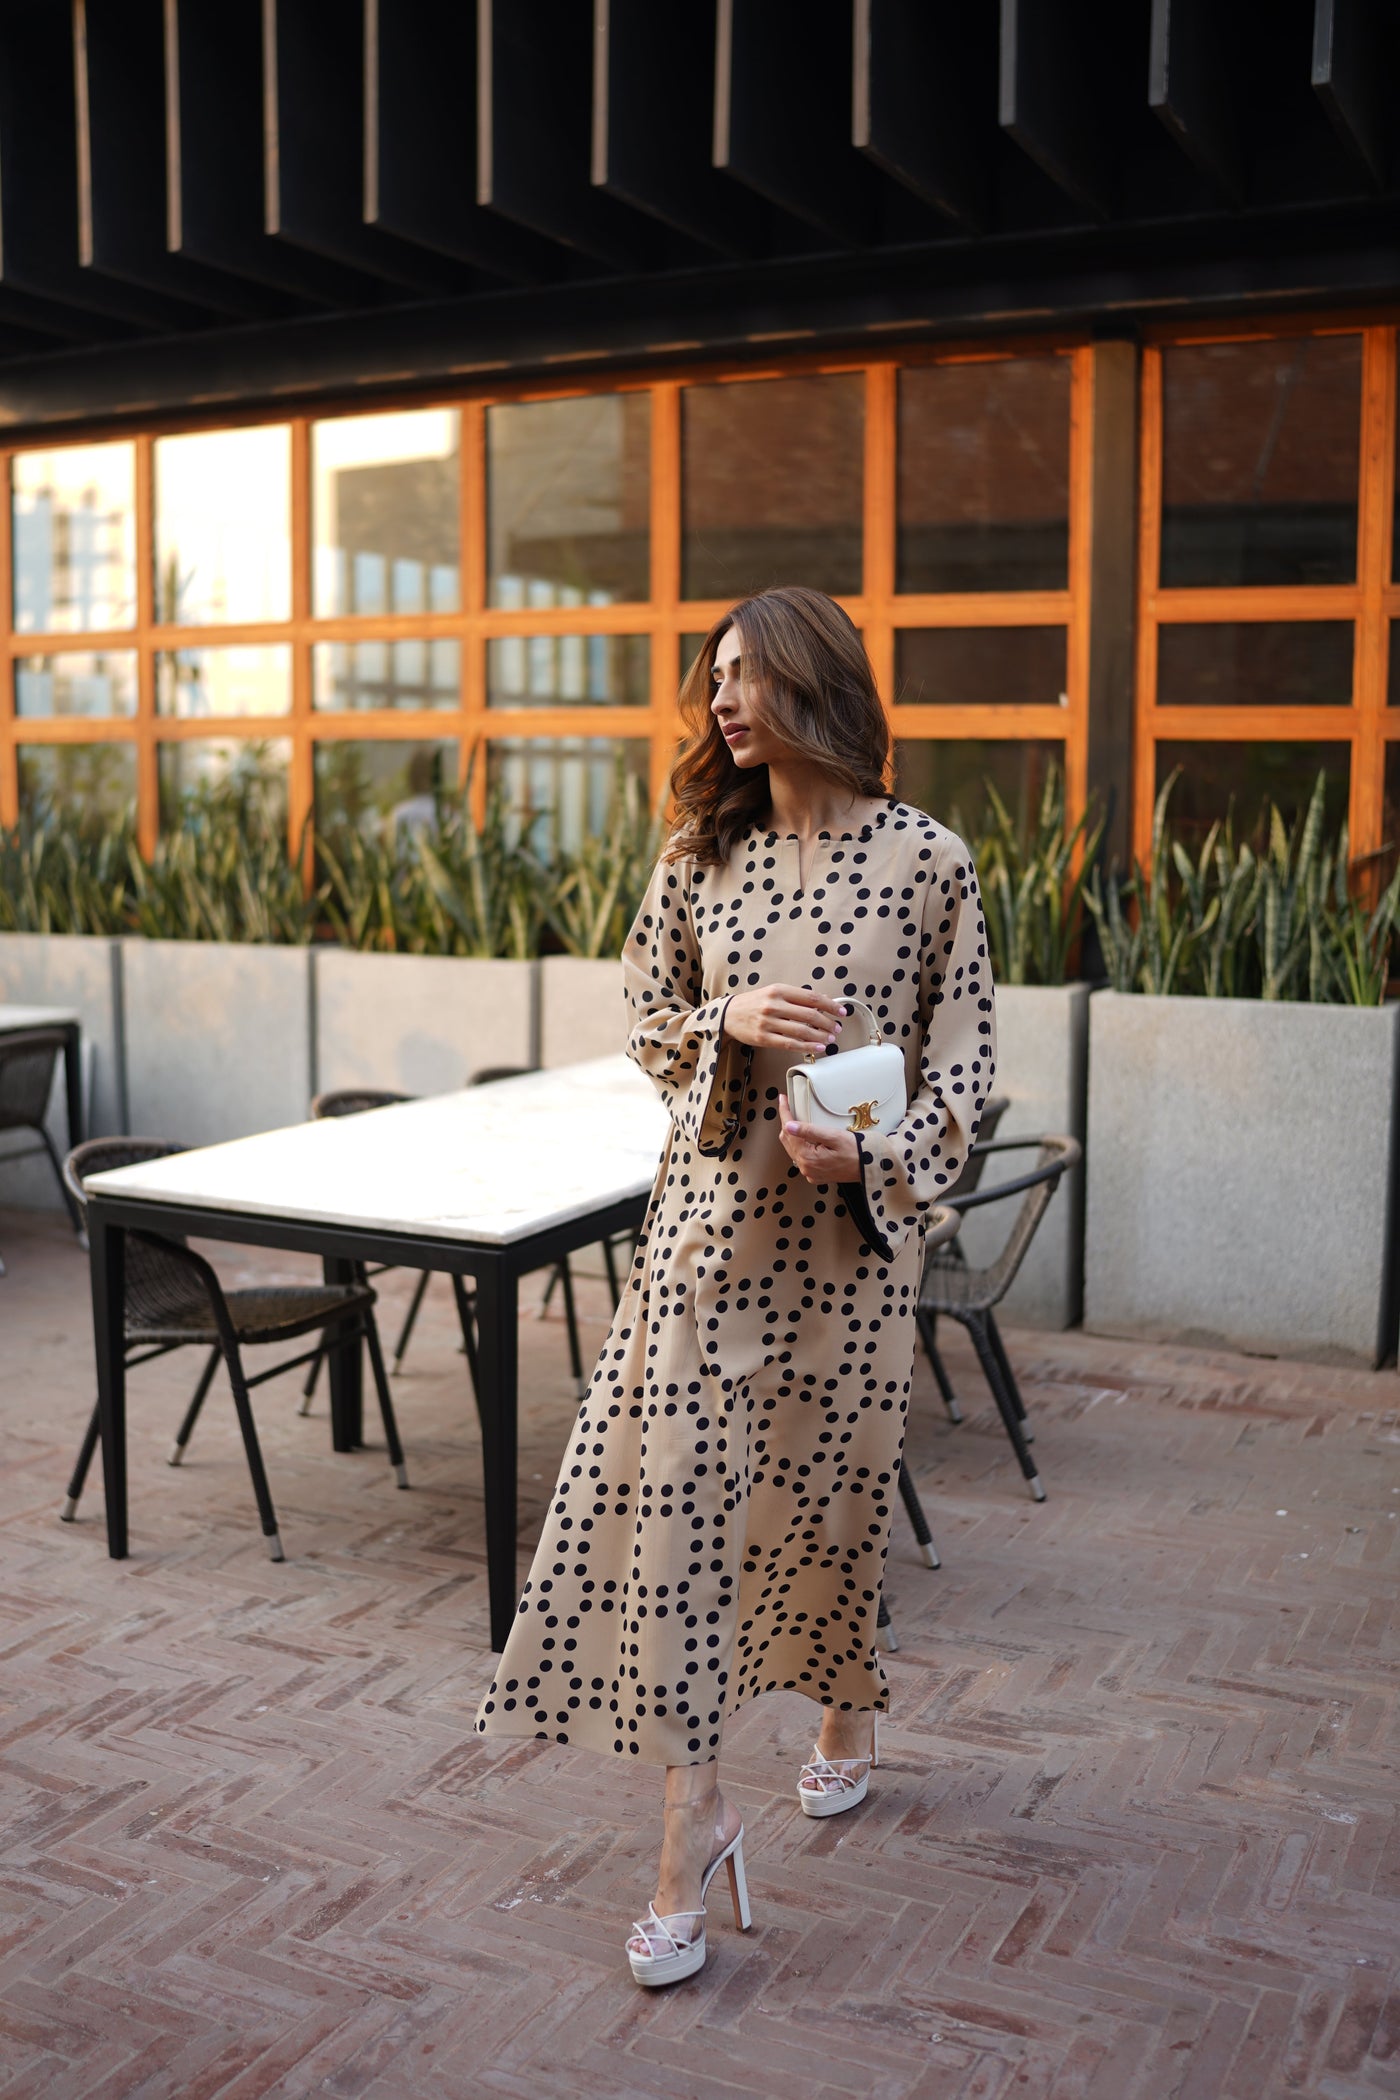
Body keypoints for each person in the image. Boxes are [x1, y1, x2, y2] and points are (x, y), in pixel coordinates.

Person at [476, 585, 995, 1985]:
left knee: (830, 1512)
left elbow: (966, 1073)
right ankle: (689, 1825)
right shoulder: (700, 855)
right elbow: (645, 1019)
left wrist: (876, 1151)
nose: (718, 699)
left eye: (743, 674)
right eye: (710, 677)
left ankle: (845, 1705)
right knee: (682, 1530)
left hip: (850, 1262)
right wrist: (731, 1019)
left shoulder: (930, 863)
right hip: (705, 1249)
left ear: (812, 680)